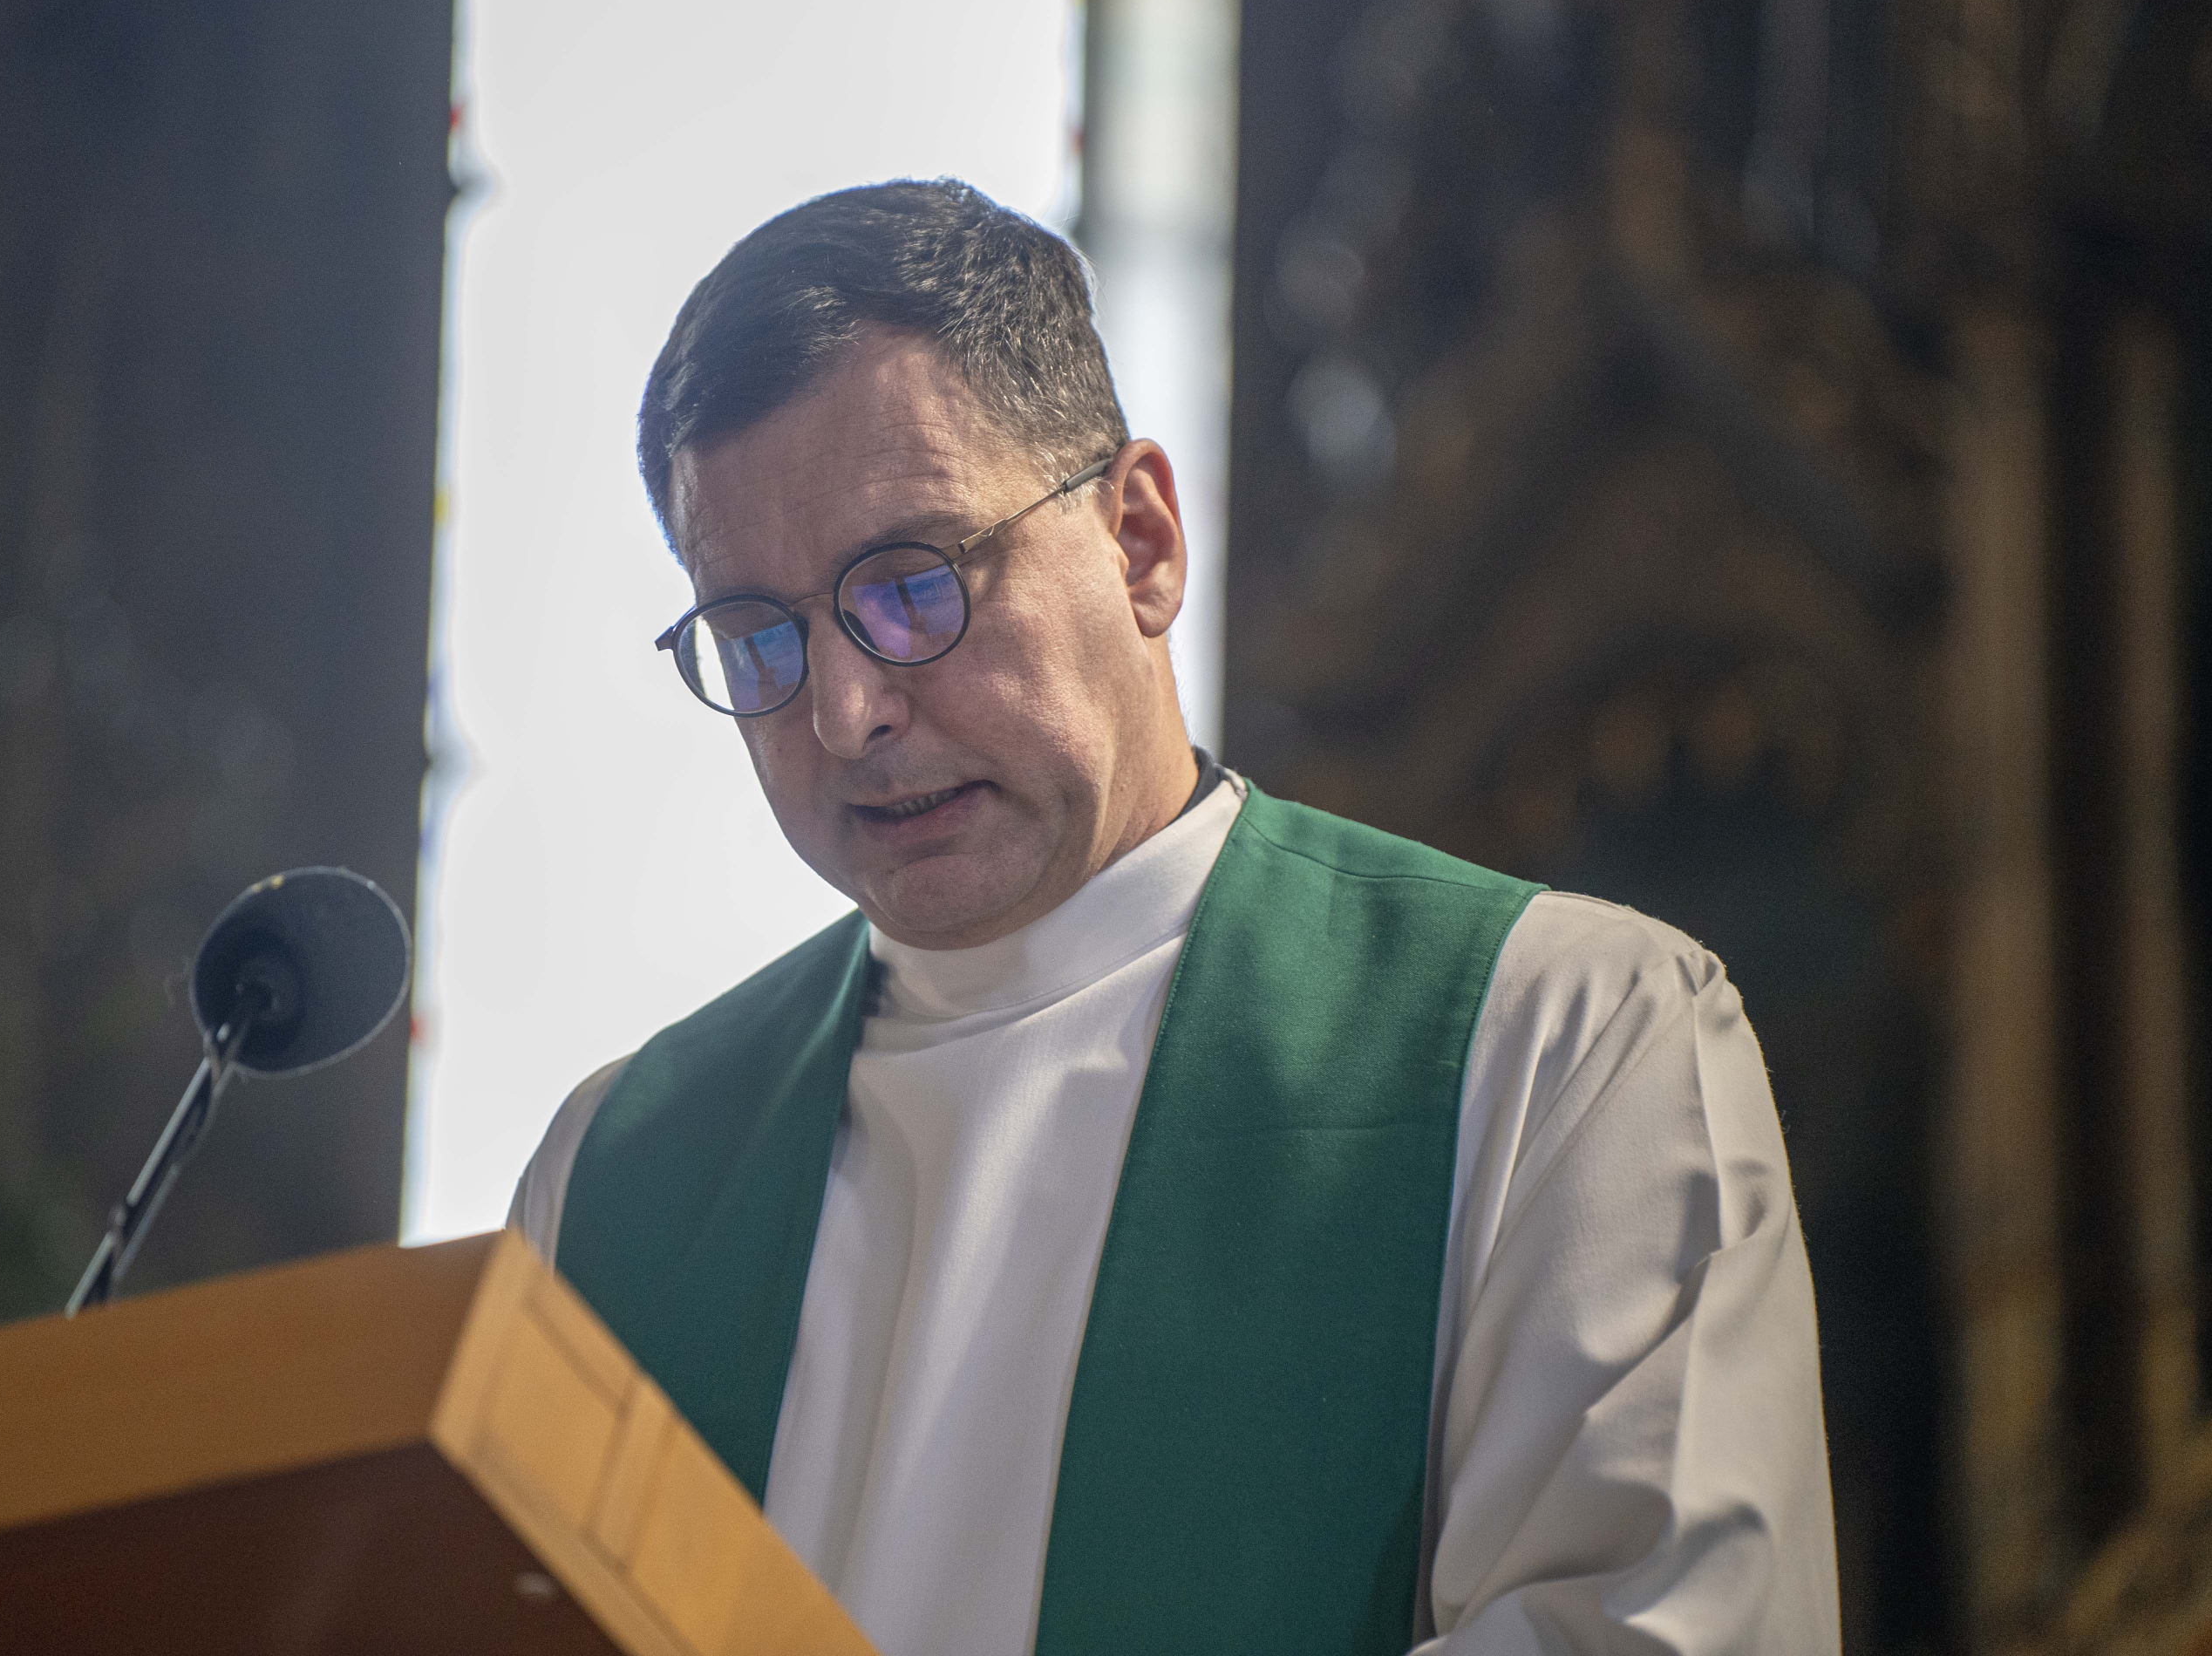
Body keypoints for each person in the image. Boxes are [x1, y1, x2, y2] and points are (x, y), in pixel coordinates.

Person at [507, 178, 1835, 1655]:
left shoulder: (1560, 1038)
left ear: (1139, 541)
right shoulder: (613, 1177)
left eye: (912, 587)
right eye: (758, 635)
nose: (845, 713)